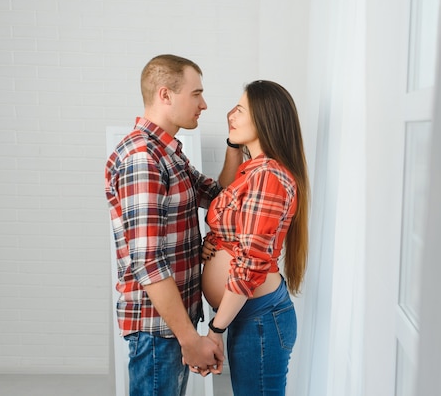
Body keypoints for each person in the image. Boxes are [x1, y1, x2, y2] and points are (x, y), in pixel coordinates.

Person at [104, 54, 243, 396]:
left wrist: (233, 145)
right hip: (158, 330)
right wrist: (190, 340)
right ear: (165, 94)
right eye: (196, 94)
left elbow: (217, 195)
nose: (204, 103)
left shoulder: (169, 154)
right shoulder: (143, 158)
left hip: (172, 325)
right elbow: (148, 262)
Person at [199, 80, 310, 395]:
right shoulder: (254, 171)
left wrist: (216, 329)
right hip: (249, 314)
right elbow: (227, 196)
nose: (230, 114)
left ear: (264, 118)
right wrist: (218, 241)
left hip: (258, 317)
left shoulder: (269, 178)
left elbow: (249, 262)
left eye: (240, 109)